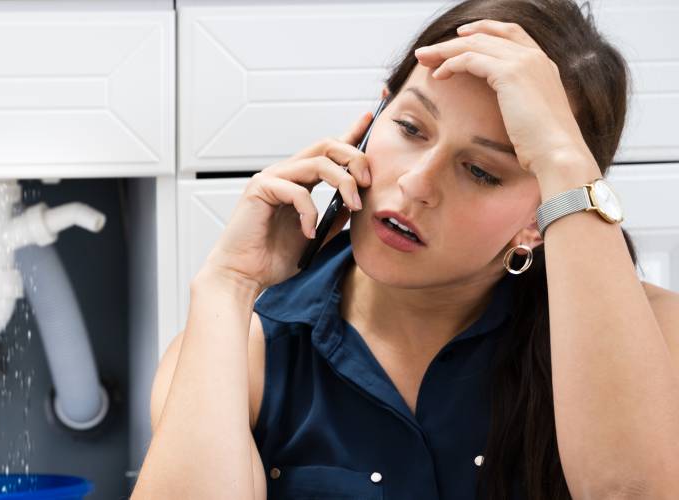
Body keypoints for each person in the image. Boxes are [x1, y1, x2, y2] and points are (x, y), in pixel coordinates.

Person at [133, 0, 679, 498]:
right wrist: (228, 283)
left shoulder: (655, 337)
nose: (418, 183)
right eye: (412, 127)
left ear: (539, 218)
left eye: (482, 172)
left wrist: (562, 160)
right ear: (372, 122)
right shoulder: (238, 348)